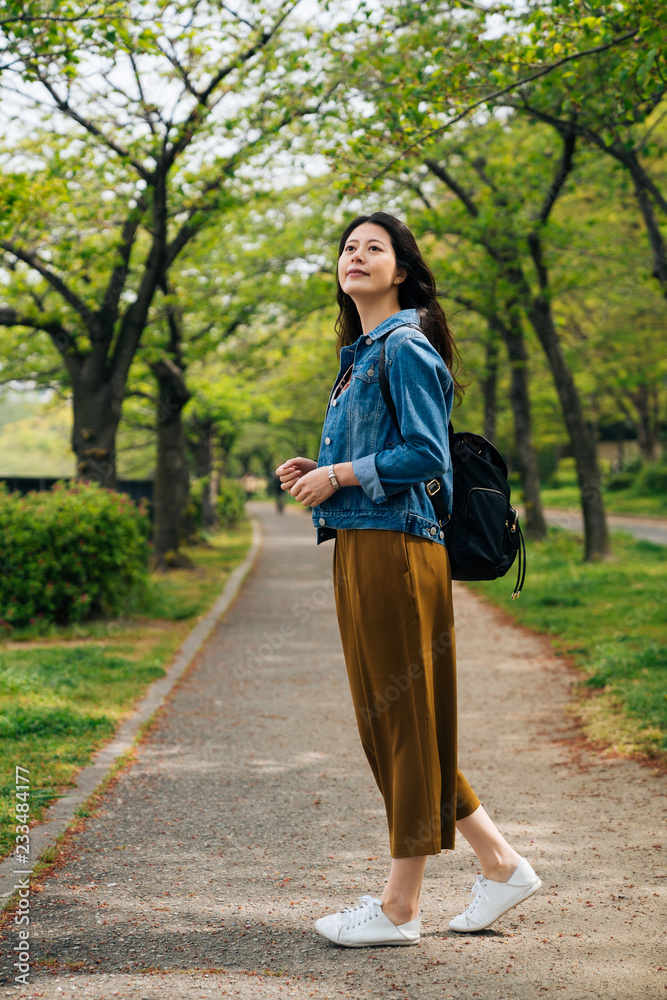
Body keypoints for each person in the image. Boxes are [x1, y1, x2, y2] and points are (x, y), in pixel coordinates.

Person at [275, 212, 541, 948]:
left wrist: (341, 473)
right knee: (395, 723)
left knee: (399, 724)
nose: (356, 256)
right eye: (348, 248)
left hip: (397, 550)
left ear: (401, 272)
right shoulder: (358, 354)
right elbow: (380, 454)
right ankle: (500, 862)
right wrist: (320, 468)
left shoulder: (404, 347)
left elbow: (428, 455)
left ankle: (399, 907)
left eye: (374, 248)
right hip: (363, 546)